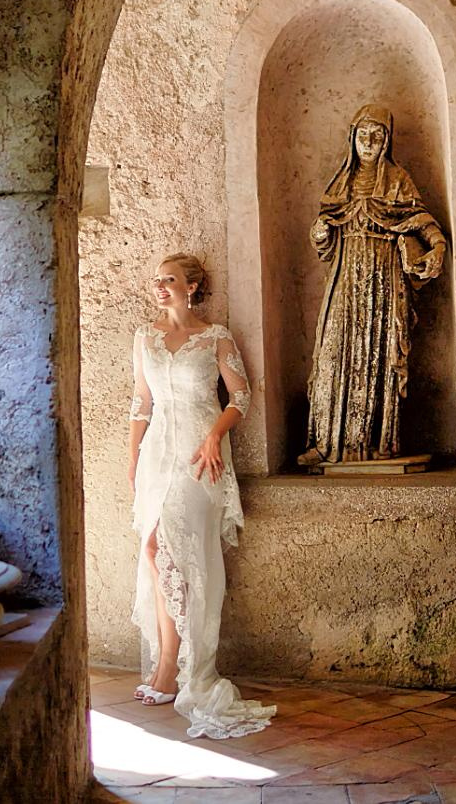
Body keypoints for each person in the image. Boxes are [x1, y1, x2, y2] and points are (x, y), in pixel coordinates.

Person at [128, 252, 275, 738]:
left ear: (192, 287)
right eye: (156, 280)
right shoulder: (144, 337)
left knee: (186, 556)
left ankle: (184, 668)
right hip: (156, 458)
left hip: (200, 458)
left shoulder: (215, 337)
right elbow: (141, 403)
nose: (159, 286)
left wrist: (214, 436)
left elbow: (241, 397)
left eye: (169, 279)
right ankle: (170, 659)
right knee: (152, 550)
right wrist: (133, 458)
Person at [298, 105, 447, 466]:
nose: (369, 142)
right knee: (334, 352)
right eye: (363, 135)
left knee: (379, 352)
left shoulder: (397, 182)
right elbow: (326, 245)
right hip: (346, 279)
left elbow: (422, 222)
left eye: (377, 136)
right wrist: (321, 234)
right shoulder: (340, 185)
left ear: (387, 141)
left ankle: (379, 442)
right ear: (352, 138)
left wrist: (438, 245)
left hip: (383, 278)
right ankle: (327, 441)